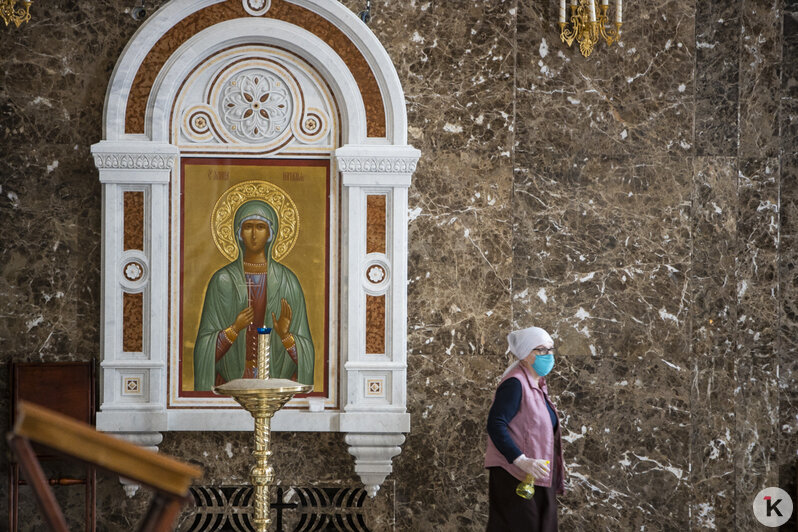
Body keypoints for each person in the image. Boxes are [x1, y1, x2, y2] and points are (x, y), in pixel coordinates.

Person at [193, 199, 314, 390]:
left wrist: (285, 336)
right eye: (248, 227)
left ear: (270, 233)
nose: (254, 234)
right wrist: (233, 329)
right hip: (231, 383)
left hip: (276, 382)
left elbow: (306, 349)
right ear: (238, 233)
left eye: (261, 227)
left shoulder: (287, 281)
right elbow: (203, 348)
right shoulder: (222, 280)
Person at [484, 326, 566, 531]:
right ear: (527, 355)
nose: (549, 355)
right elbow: (495, 424)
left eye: (551, 349)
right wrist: (520, 460)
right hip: (515, 476)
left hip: (535, 475)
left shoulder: (537, 384)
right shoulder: (515, 383)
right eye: (542, 350)